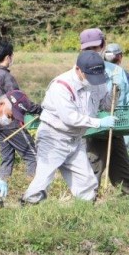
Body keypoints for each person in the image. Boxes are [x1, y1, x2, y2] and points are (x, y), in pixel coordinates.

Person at [22, 51, 117, 204]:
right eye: (90, 77)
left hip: (76, 139)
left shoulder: (96, 82)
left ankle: (86, 212)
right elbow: (70, 118)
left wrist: (114, 91)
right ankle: (28, 208)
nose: (94, 81)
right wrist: (99, 123)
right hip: (53, 137)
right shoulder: (61, 86)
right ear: (79, 69)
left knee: (86, 181)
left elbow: (106, 104)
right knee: (43, 179)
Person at [79, 29, 129, 195]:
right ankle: (85, 208)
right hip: (95, 131)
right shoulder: (78, 73)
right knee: (93, 171)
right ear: (81, 49)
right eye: (87, 49)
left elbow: (127, 97)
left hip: (116, 128)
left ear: (103, 46)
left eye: (95, 47)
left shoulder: (116, 71)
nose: (92, 52)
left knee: (124, 174)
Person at [0, 41, 40, 179]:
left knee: (7, 159)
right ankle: (33, 188)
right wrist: (39, 109)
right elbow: (18, 101)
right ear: (8, 57)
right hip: (12, 123)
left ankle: (2, 188)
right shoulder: (7, 77)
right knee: (33, 155)